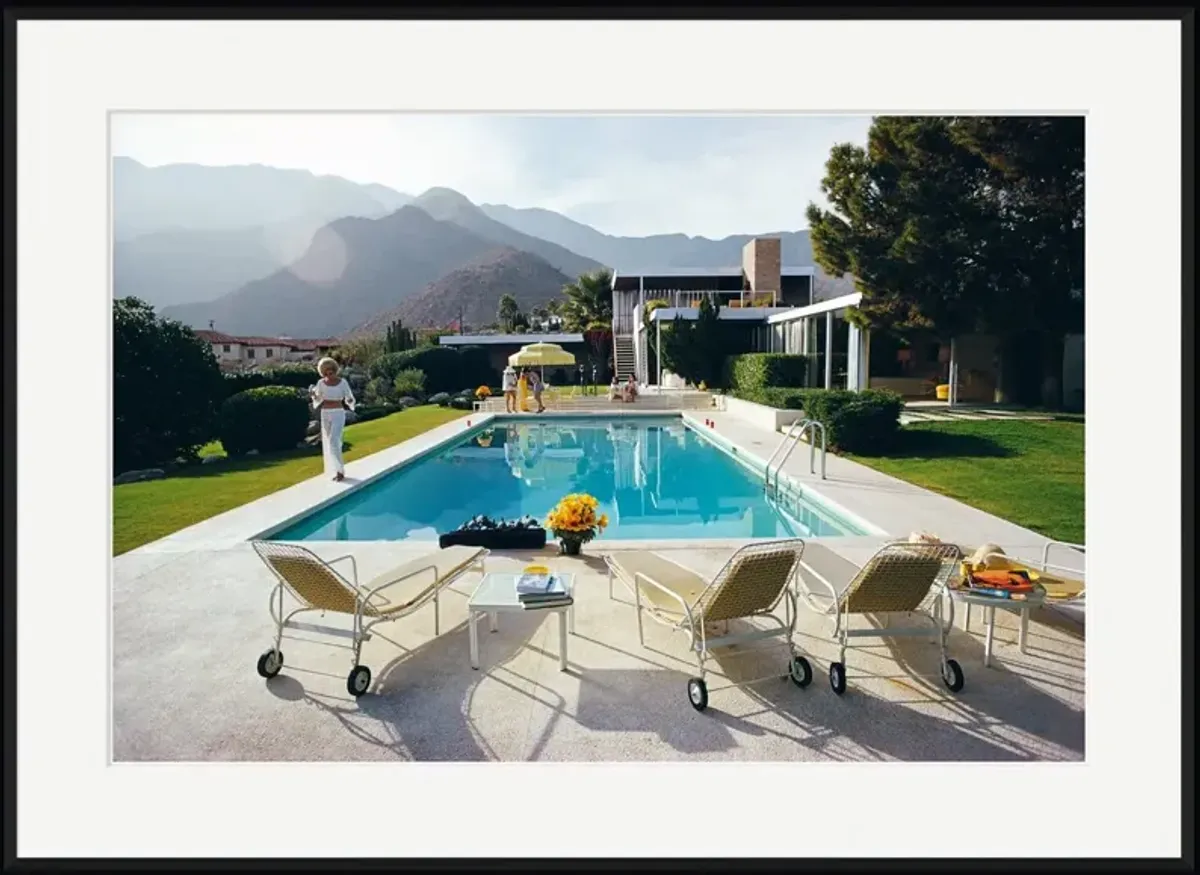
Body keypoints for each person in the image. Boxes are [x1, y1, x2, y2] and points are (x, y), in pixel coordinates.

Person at [309, 357, 356, 481]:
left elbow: (349, 397)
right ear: (323, 372)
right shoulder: (320, 383)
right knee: (329, 442)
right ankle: (334, 470)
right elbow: (318, 399)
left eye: (331, 372)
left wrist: (350, 401)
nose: (329, 375)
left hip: (338, 413)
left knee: (334, 441)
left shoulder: (343, 382)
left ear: (335, 371)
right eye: (326, 373)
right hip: (325, 413)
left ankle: (340, 471)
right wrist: (314, 396)